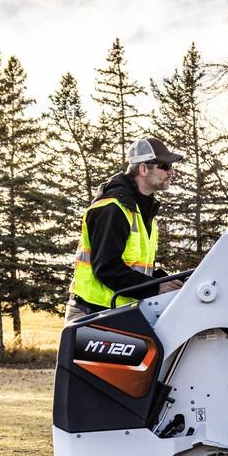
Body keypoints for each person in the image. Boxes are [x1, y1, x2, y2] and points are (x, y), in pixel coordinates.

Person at [65, 137, 185, 323]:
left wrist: (172, 281)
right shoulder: (112, 208)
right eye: (165, 166)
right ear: (143, 169)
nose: (171, 172)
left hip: (119, 312)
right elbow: (107, 268)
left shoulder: (142, 209)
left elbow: (138, 268)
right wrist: (155, 288)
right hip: (92, 313)